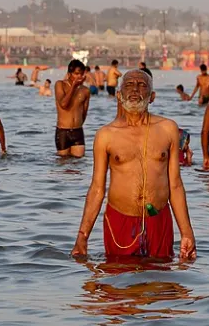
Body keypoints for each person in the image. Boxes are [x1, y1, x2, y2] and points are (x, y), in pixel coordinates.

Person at [71, 70, 197, 260]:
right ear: (119, 95)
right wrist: (82, 236)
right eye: (129, 84)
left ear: (152, 96)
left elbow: (175, 185)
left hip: (158, 219)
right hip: (119, 220)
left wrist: (186, 232)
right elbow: (97, 188)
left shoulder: (168, 129)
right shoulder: (106, 135)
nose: (135, 89)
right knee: (118, 282)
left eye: (142, 85)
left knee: (162, 281)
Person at [54, 60, 91, 158]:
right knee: (63, 165)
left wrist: (77, 123)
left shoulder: (85, 91)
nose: (79, 76)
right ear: (69, 74)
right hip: (63, 131)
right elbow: (63, 104)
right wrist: (73, 87)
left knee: (78, 164)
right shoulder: (60, 85)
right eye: (76, 74)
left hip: (78, 131)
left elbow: (84, 113)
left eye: (82, 74)